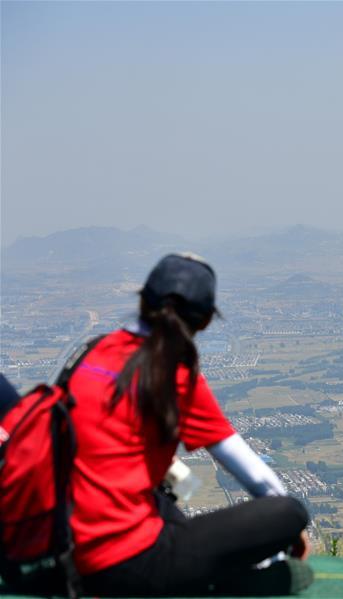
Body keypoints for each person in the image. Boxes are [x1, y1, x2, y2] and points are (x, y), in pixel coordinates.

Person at [65, 253, 313, 597]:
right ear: (206, 321)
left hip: (63, 547)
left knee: (166, 500)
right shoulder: (174, 374)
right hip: (124, 563)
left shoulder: (92, 353)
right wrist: (290, 530)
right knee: (288, 511)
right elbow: (261, 482)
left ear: (141, 300)